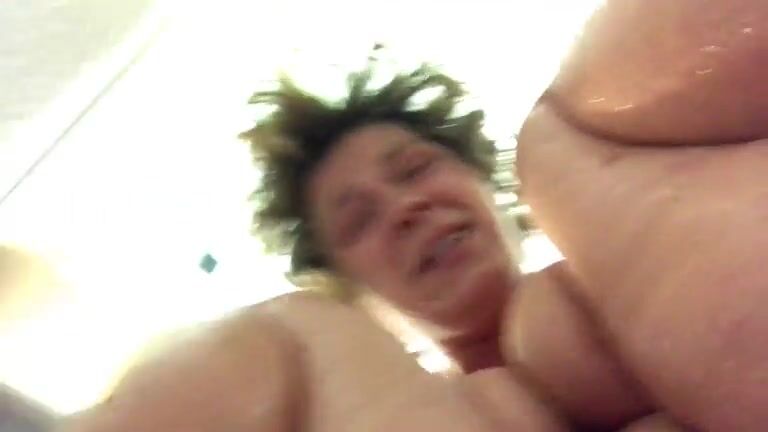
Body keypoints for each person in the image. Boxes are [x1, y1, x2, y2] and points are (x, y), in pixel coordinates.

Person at [64, 0, 767, 430]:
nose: (406, 208)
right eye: (358, 221)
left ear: (487, 184)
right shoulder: (350, 397)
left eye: (415, 168)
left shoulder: (677, 242)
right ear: (347, 291)